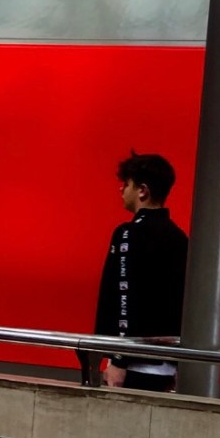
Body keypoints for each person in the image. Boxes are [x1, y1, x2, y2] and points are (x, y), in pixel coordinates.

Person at [89, 151, 188, 392]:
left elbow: (124, 296)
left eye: (127, 184)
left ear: (142, 190)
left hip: (134, 365)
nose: (121, 190)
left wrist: (118, 359)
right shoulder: (180, 238)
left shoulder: (128, 234)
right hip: (167, 364)